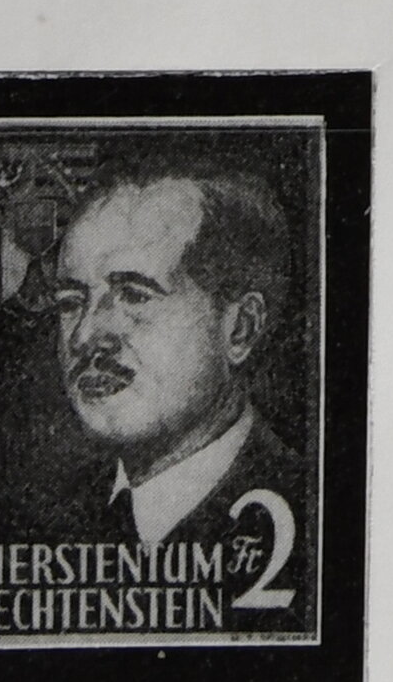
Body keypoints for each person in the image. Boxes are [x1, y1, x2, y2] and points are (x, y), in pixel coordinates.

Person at [49, 158, 302, 565]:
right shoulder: (48, 514)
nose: (83, 336)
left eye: (134, 296)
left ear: (240, 328)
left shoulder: (304, 504)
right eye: (70, 302)